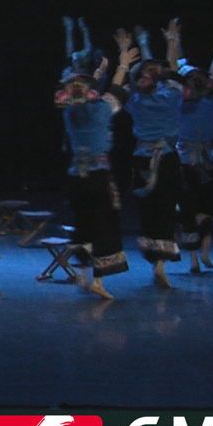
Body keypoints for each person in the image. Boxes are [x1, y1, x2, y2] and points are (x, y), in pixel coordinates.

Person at [58, 49, 137, 299]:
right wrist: (122, 65)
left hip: (76, 177)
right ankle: (98, 281)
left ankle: (82, 274)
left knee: (82, 223)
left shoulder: (70, 112)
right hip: (97, 177)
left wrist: (98, 74)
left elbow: (86, 95)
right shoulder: (101, 110)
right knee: (103, 225)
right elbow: (115, 90)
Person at [119, 22, 185, 288]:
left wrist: (126, 56)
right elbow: (173, 73)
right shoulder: (169, 97)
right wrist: (171, 41)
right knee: (165, 209)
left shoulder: (134, 100)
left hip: (143, 157)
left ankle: (155, 262)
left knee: (148, 210)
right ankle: (160, 265)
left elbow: (123, 85)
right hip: (165, 157)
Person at [170, 25, 213, 273]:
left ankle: (205, 252)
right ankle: (193, 258)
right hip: (185, 160)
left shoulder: (211, 101)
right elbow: (175, 72)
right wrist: (174, 42)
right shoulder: (180, 104)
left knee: (209, 207)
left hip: (207, 159)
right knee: (189, 210)